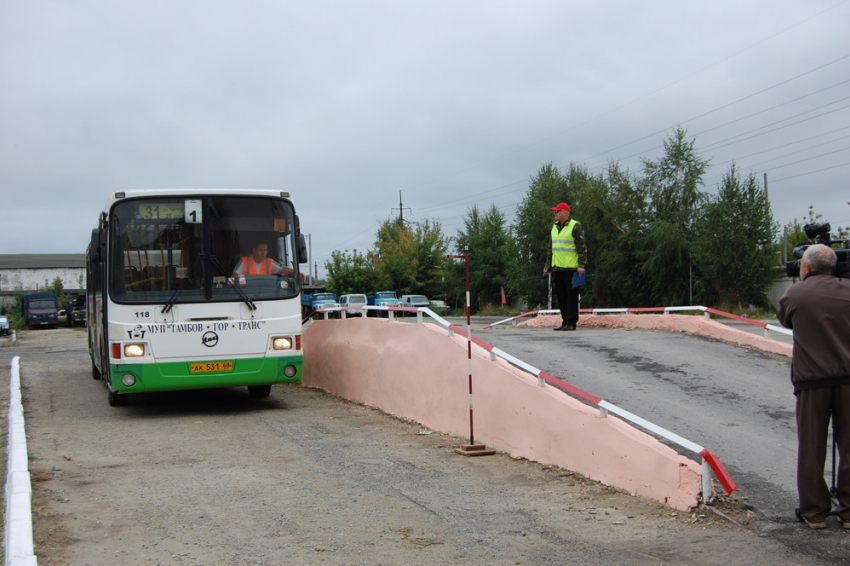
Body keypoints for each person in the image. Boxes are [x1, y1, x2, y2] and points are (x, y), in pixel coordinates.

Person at [777, 244, 850, 530]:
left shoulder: (796, 294)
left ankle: (815, 512)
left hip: (811, 382)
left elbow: (786, 320)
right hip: (848, 379)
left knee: (811, 447)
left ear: (805, 267)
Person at [543, 202, 587, 331]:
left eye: (557, 211)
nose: (554, 214)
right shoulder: (555, 227)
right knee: (561, 296)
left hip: (571, 268)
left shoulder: (575, 226)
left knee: (571, 296)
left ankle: (572, 322)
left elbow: (582, 247)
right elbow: (551, 248)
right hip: (557, 267)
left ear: (564, 213)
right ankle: (564, 321)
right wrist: (547, 265)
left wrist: (581, 265)